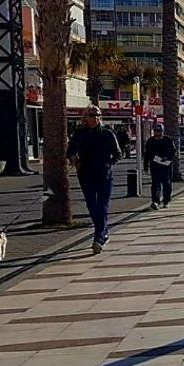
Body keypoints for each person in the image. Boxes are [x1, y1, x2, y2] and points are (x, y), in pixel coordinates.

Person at [67, 105, 122, 254]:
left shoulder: (107, 133)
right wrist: (74, 159)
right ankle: (104, 233)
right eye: (92, 115)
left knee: (102, 207)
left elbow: (118, 153)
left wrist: (109, 164)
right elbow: (70, 151)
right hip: (85, 174)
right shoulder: (79, 134)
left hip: (104, 175)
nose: (95, 117)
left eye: (98, 115)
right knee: (92, 207)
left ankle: (98, 239)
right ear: (85, 117)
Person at [143, 123, 177, 210]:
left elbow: (173, 152)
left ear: (162, 131)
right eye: (156, 131)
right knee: (155, 184)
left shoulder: (168, 140)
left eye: (159, 131)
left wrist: (167, 158)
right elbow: (147, 154)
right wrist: (145, 166)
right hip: (155, 166)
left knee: (167, 184)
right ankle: (155, 201)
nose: (157, 133)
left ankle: (166, 200)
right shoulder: (150, 141)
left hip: (166, 166)